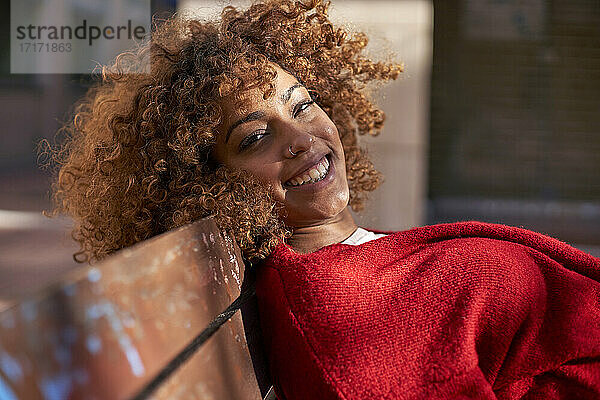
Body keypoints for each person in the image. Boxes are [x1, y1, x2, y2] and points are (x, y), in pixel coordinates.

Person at [48, 0, 600, 399]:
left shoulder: (354, 266)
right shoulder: (338, 309)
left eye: (302, 104)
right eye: (255, 137)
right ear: (207, 188)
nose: (302, 138)